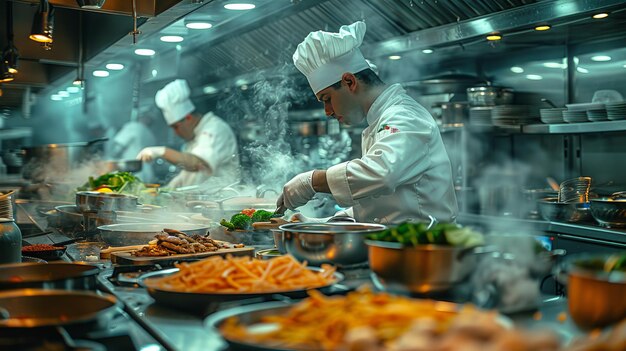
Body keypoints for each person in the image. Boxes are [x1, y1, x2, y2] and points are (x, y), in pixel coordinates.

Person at [277, 21, 458, 224]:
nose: (327, 112)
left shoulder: (404, 115)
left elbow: (382, 174)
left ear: (349, 82)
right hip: (392, 247)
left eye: (327, 99)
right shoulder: (379, 120)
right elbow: (379, 205)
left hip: (423, 249)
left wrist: (311, 181)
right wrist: (317, 224)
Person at [136, 79, 241, 189]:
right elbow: (187, 175)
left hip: (223, 201)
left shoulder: (215, 129)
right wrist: (165, 192)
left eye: (176, 127)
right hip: (201, 201)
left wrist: (161, 151)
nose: (176, 133)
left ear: (188, 118)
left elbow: (197, 164)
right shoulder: (195, 138)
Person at [110, 108, 157, 182]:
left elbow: (117, 148)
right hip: (148, 173)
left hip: (133, 172)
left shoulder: (133, 126)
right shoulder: (151, 135)